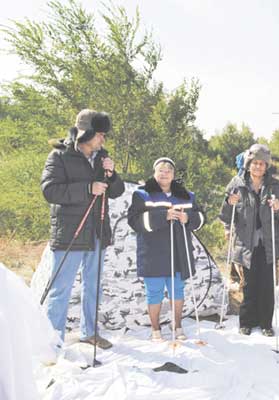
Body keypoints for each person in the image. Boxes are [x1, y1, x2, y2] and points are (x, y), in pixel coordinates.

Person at [41, 109, 125, 349]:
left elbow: (116, 191)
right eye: (99, 134)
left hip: (97, 232)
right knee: (61, 288)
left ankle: (90, 332)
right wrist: (88, 189)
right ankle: (52, 341)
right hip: (70, 233)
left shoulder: (102, 157)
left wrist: (112, 174)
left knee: (94, 286)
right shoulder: (59, 156)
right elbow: (50, 191)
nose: (103, 140)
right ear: (85, 133)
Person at [127, 157, 205, 342]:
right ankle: (156, 330)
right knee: (154, 292)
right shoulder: (142, 194)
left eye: (168, 170)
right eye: (160, 170)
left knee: (177, 290)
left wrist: (189, 219)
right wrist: (163, 216)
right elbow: (134, 222)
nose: (164, 173)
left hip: (178, 252)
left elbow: (201, 217)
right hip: (152, 253)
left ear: (173, 174)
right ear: (154, 173)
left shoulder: (187, 195)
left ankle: (177, 326)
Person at [219, 144, 279, 336]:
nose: (258, 167)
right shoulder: (236, 184)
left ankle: (266, 324)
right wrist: (229, 203)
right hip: (245, 243)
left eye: (262, 164)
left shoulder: (275, 186)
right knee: (249, 284)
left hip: (268, 243)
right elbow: (225, 216)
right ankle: (246, 322)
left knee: (267, 284)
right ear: (248, 164)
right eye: (255, 163)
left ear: (267, 166)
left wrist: (278, 207)